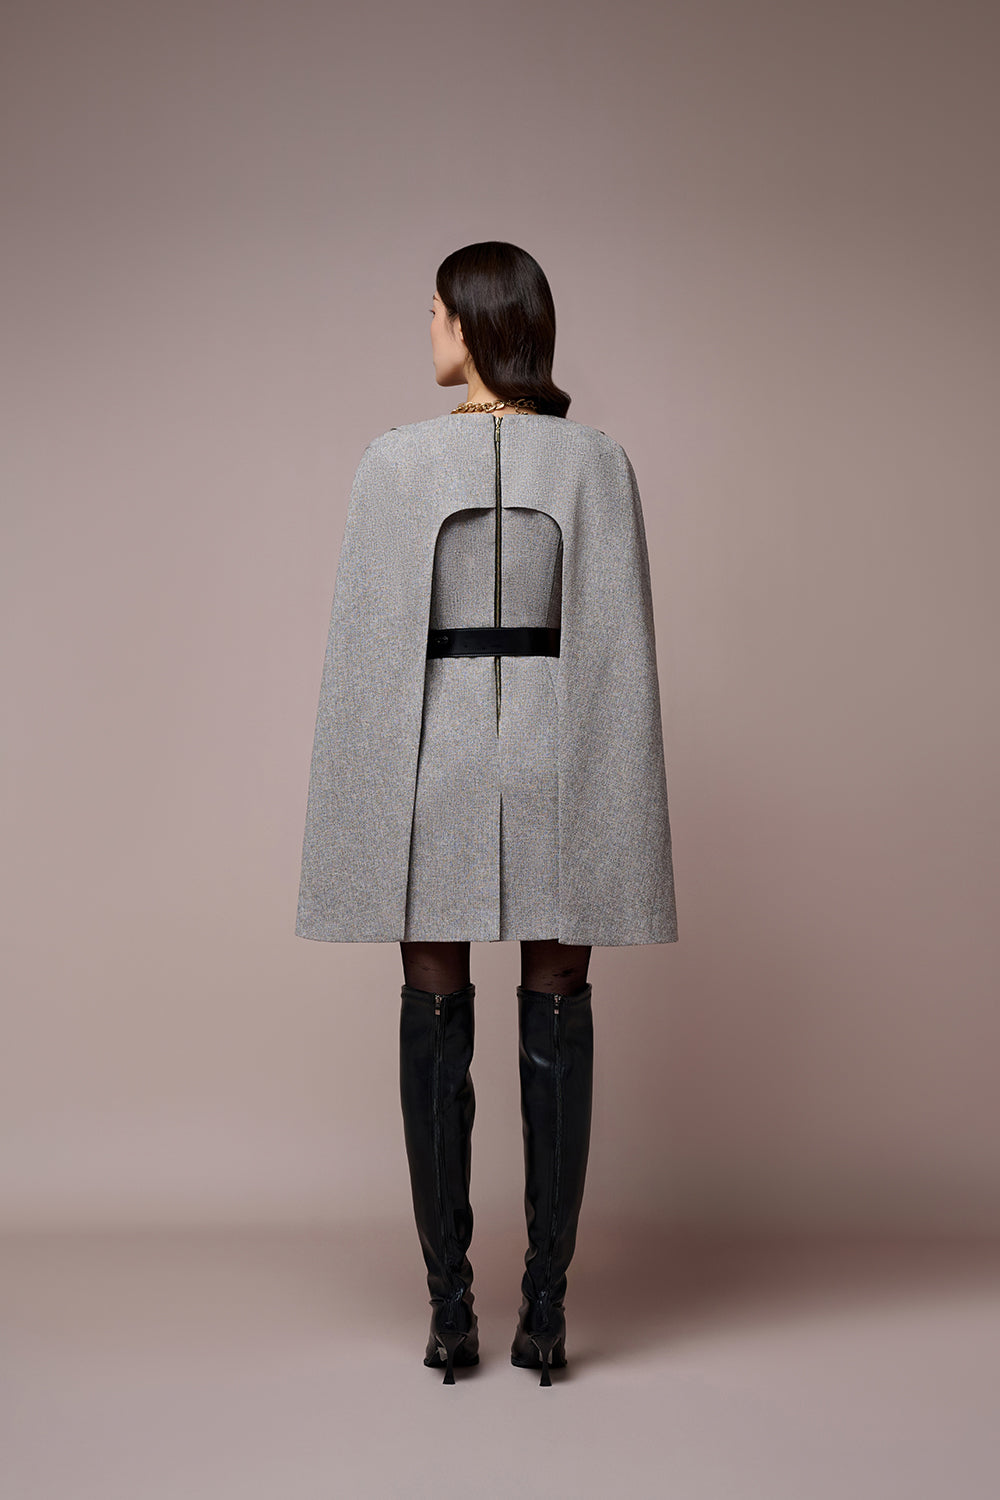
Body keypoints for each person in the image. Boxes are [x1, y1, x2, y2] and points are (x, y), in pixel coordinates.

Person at [296, 241, 677, 1386]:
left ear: (470, 323)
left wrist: (358, 821)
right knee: (557, 1007)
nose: (426, 329)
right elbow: (619, 654)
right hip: (562, 758)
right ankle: (544, 1314)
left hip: (436, 760)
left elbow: (367, 660)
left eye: (433, 311)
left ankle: (450, 1312)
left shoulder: (394, 463)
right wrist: (619, 802)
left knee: (433, 1010)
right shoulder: (596, 463)